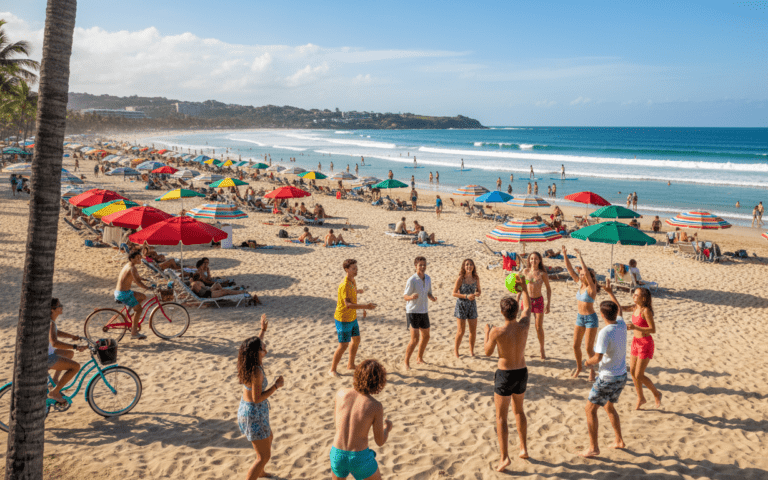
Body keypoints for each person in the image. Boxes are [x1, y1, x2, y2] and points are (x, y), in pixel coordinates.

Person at [483, 281, 532, 471]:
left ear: (503, 313)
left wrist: (487, 333)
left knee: (501, 417)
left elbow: (487, 352)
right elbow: (527, 307)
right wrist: (525, 289)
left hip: (504, 374)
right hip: (521, 372)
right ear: (516, 312)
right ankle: (523, 448)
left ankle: (504, 458)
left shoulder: (497, 331)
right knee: (519, 411)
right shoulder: (524, 325)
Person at [580, 281, 627, 457]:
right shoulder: (621, 324)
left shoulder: (605, 332)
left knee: (590, 409)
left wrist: (587, 363)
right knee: (608, 406)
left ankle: (593, 448)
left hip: (608, 377)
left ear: (601, 314)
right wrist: (609, 292)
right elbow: (620, 310)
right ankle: (619, 440)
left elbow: (597, 358)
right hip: (621, 376)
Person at [237, 314, 284, 479]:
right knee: (263, 456)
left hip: (252, 411)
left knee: (269, 437)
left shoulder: (248, 362)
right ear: (257, 352)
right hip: (254, 414)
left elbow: (255, 344)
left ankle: (261, 472)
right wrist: (276, 387)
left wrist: (262, 330)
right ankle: (257, 471)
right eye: (263, 347)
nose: (265, 347)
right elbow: (257, 398)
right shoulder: (256, 372)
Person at [330, 360, 392, 480]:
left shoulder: (340, 393)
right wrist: (387, 429)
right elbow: (379, 441)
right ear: (379, 382)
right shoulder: (375, 405)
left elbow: (338, 424)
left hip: (337, 453)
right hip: (359, 457)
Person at [617, 286, 662, 410]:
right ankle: (641, 397)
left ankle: (656, 394)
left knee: (639, 375)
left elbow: (653, 330)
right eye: (634, 294)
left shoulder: (645, 311)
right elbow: (619, 307)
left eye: (636, 295)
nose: (633, 296)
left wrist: (635, 327)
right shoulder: (634, 307)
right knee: (632, 372)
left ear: (643, 298)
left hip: (645, 343)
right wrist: (610, 293)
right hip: (635, 342)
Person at [330, 259, 377, 377]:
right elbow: (348, 304)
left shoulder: (352, 281)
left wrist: (358, 291)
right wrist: (366, 306)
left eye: (356, 268)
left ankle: (350, 364)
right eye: (353, 268)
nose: (356, 270)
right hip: (343, 319)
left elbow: (352, 292)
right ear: (346, 270)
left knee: (356, 340)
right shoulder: (345, 284)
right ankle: (332, 370)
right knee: (343, 345)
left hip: (352, 317)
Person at [563, 246, 599, 381]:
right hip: (580, 318)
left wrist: (580, 257)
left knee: (589, 349)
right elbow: (570, 270)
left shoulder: (591, 288)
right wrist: (565, 255)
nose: (581, 275)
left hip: (591, 319)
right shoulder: (580, 284)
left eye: (583, 274)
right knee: (575, 346)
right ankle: (579, 367)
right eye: (581, 274)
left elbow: (587, 275)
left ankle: (592, 371)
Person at [48, 298, 87, 403]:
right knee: (76, 367)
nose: (62, 306)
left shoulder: (50, 322)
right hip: (47, 356)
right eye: (59, 305)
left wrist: (72, 336)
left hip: (48, 352)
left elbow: (56, 332)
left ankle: (55, 380)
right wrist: (75, 346)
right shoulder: (51, 323)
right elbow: (55, 343)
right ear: (52, 309)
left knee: (69, 354)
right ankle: (54, 392)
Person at [403, 256, 436, 370]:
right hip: (413, 311)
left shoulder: (428, 278)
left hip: (424, 311)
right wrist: (411, 297)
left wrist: (432, 298)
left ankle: (419, 358)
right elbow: (405, 296)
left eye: (424, 264)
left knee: (426, 336)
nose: (422, 267)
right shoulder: (412, 280)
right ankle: (406, 362)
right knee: (415, 339)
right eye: (420, 265)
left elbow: (429, 292)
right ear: (415, 266)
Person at [115, 251, 151, 340]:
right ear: (132, 259)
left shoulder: (129, 265)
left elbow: (137, 277)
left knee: (143, 296)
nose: (140, 259)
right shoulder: (132, 268)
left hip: (122, 292)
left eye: (140, 257)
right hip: (124, 294)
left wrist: (146, 279)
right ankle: (134, 333)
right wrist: (148, 288)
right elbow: (137, 282)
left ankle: (130, 313)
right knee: (139, 310)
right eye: (137, 258)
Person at [522, 252, 551, 359]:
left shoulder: (542, 273)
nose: (533, 261)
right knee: (524, 327)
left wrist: (548, 304)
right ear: (529, 260)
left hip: (538, 300)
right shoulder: (525, 271)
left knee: (538, 327)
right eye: (532, 259)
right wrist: (517, 299)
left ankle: (542, 349)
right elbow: (521, 286)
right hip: (526, 300)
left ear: (539, 261)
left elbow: (548, 288)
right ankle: (522, 349)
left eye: (536, 259)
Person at [453, 259, 481, 357]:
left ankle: (471, 350)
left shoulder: (476, 278)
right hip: (461, 305)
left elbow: (479, 291)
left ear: (473, 266)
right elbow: (454, 293)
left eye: (471, 264)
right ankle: (456, 351)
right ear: (464, 267)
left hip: (472, 305)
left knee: (473, 330)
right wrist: (466, 296)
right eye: (467, 264)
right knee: (461, 331)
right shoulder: (460, 278)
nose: (469, 266)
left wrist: (477, 293)